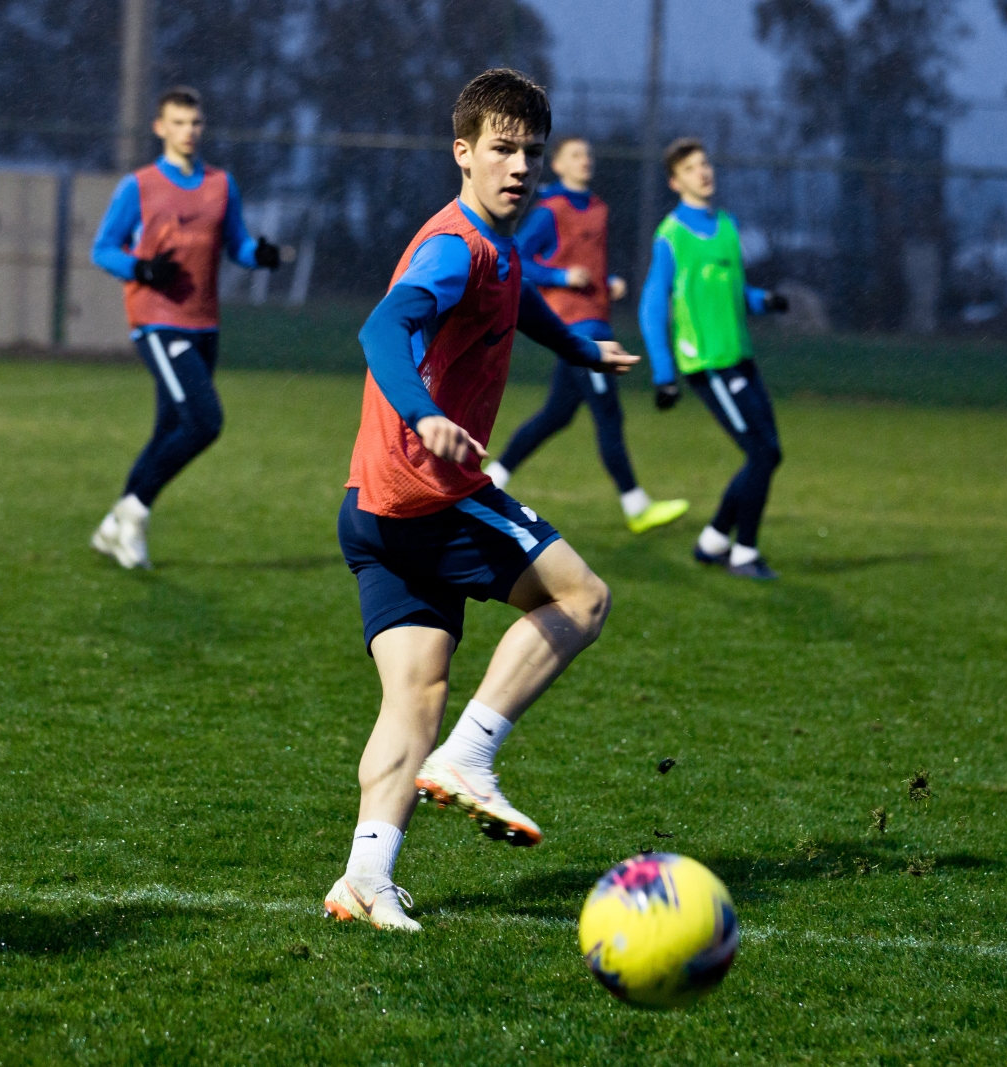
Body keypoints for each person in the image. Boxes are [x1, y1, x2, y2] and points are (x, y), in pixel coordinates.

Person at [323, 70, 639, 933]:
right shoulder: (454, 247)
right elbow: (382, 328)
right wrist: (424, 415)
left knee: (414, 694)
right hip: (429, 494)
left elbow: (519, 298)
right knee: (584, 596)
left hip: (371, 506)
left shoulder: (491, 249)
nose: (519, 166)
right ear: (462, 152)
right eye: (501, 149)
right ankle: (473, 754)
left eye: (530, 152)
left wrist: (576, 346)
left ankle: (364, 877)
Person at [88, 86, 285, 569]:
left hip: (204, 323)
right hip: (158, 321)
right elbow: (103, 248)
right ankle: (132, 512)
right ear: (160, 127)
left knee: (170, 429)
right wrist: (140, 269)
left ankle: (114, 527)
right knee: (204, 421)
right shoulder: (138, 186)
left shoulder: (221, 183)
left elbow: (235, 243)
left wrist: (258, 256)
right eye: (178, 122)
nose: (189, 132)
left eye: (195, 123)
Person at [485, 138, 689, 535]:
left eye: (589, 155)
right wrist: (561, 277)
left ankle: (493, 477)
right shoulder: (550, 210)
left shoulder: (598, 208)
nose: (586, 161)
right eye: (576, 155)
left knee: (556, 415)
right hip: (575, 328)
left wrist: (606, 280)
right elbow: (517, 257)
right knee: (609, 414)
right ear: (558, 164)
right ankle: (636, 505)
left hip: (598, 320)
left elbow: (590, 261)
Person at [640, 138, 790, 581]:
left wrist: (763, 301)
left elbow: (730, 291)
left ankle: (712, 541)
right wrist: (664, 375)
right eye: (690, 168)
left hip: (740, 358)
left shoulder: (727, 225)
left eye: (705, 164)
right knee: (762, 454)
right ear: (675, 181)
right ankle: (744, 552)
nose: (703, 172)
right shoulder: (671, 236)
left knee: (768, 454)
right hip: (708, 365)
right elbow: (653, 307)